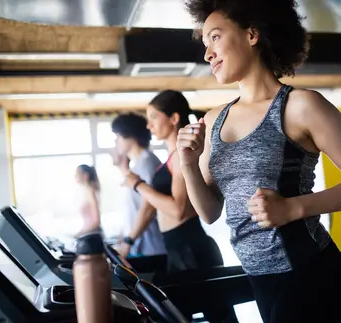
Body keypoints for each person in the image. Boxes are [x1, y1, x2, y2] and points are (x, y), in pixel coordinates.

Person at [177, 1, 341, 322]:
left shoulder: (301, 105)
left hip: (309, 274)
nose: (208, 54)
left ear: (251, 34)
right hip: (260, 278)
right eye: (205, 44)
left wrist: (293, 208)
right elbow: (209, 212)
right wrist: (188, 164)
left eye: (215, 37)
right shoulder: (215, 119)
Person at [122, 90, 237, 323]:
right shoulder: (170, 158)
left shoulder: (181, 157)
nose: (148, 125)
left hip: (191, 250)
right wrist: (128, 241)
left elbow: (178, 210)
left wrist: (138, 185)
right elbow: (151, 207)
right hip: (176, 248)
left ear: (174, 118)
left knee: (220, 318)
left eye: (154, 117)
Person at [111, 113, 167, 261]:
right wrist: (123, 238)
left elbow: (148, 207)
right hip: (140, 245)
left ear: (132, 136)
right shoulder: (137, 165)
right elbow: (133, 208)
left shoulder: (147, 163)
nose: (116, 141)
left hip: (151, 248)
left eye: (119, 136)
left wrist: (129, 240)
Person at [74, 164, 101, 237]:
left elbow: (96, 221)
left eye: (77, 174)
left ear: (85, 175)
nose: (75, 176)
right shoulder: (86, 191)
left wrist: (79, 234)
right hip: (89, 233)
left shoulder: (90, 190)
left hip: (93, 236)